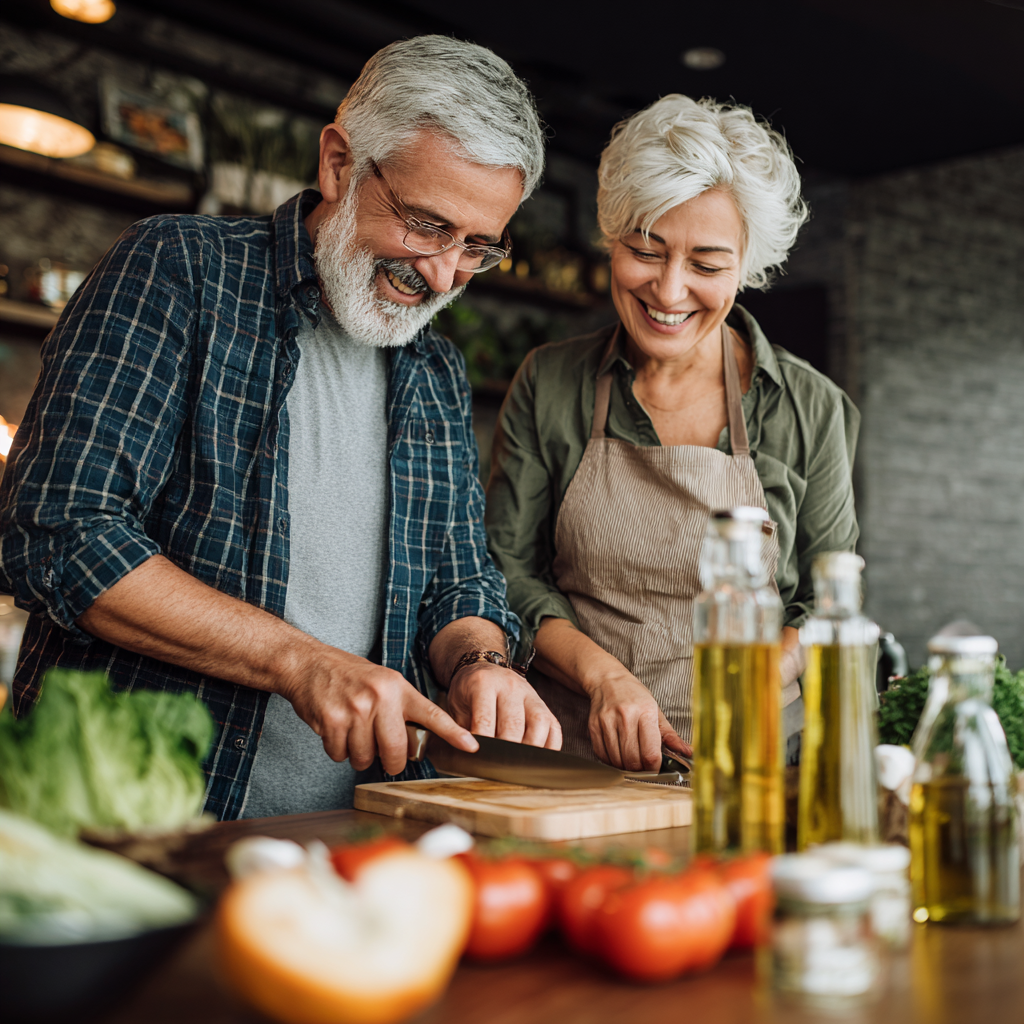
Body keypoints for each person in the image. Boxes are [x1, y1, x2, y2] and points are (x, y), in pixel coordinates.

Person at [0, 35, 561, 821]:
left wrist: (480, 663)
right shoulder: (179, 271)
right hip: (138, 823)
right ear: (338, 163)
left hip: (357, 834)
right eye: (426, 225)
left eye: (477, 246)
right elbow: (60, 532)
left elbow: (458, 582)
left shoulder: (436, 371)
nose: (442, 275)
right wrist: (300, 662)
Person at [486, 95, 859, 773]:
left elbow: (828, 599)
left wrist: (758, 681)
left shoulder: (810, 407)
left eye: (707, 265)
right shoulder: (551, 382)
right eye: (645, 251)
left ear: (747, 265)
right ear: (611, 238)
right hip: (580, 762)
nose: (669, 289)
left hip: (758, 761)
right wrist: (605, 678)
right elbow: (508, 573)